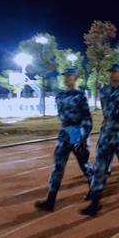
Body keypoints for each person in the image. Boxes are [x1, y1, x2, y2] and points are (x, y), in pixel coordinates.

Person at [80, 63, 119, 216]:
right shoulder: (103, 90)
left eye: (115, 72)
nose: (111, 74)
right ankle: (95, 201)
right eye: (110, 72)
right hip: (106, 132)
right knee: (100, 166)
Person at [35, 68, 93, 211]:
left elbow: (87, 118)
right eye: (65, 76)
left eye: (70, 76)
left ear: (75, 78)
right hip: (64, 134)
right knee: (58, 167)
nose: (67, 78)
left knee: (84, 165)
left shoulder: (80, 96)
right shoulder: (59, 96)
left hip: (77, 133)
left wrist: (84, 136)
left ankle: (94, 189)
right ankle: (50, 200)